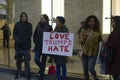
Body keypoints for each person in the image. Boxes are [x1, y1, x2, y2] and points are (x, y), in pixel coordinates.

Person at [79, 15, 102, 80]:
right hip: (85, 52)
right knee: (85, 69)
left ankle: (96, 78)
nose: (92, 22)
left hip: (94, 53)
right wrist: (84, 38)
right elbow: (80, 41)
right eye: (90, 21)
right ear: (88, 22)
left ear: (95, 22)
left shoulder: (98, 31)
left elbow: (100, 41)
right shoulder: (83, 30)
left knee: (91, 68)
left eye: (93, 21)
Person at [13, 12, 32, 80]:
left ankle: (27, 74)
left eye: (24, 16)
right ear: (20, 17)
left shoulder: (29, 25)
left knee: (27, 61)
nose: (23, 17)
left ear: (26, 17)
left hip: (26, 46)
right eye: (22, 16)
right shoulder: (17, 24)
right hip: (18, 46)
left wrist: (21, 42)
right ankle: (19, 73)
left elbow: (29, 35)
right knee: (18, 61)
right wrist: (18, 41)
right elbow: (14, 34)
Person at [33, 14, 51, 80]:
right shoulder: (38, 26)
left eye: (42, 18)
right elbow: (34, 35)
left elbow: (51, 36)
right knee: (36, 59)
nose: (40, 19)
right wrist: (36, 41)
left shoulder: (49, 27)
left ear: (45, 19)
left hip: (45, 47)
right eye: (40, 18)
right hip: (38, 46)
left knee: (43, 61)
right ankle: (42, 68)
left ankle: (41, 76)